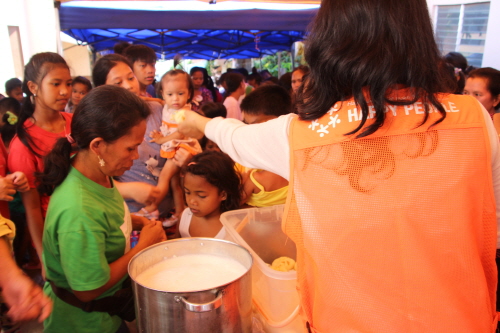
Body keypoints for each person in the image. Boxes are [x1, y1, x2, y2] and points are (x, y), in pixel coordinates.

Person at [179, 0, 500, 331]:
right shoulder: (474, 119)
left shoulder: (303, 135)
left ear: (330, 41)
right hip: (460, 317)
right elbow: (493, 221)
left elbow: (237, 139)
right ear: (418, 33)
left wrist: (197, 123)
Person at [38, 85, 166, 333]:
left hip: (108, 312)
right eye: (130, 148)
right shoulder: (78, 209)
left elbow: (103, 218)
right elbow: (87, 290)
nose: (137, 155)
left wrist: (135, 221)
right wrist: (142, 248)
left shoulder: (98, 173)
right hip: (83, 324)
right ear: (97, 145)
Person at [92, 54, 196, 218]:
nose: (128, 86)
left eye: (130, 78)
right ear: (102, 90)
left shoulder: (159, 110)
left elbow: (185, 144)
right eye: (118, 83)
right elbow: (92, 180)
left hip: (168, 213)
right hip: (129, 216)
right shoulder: (99, 125)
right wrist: (129, 190)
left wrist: (186, 161)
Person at [7, 52, 73, 262]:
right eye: (55, 84)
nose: (65, 91)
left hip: (90, 217)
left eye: (68, 83)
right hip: (59, 231)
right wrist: (44, 256)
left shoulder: (76, 122)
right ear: (33, 87)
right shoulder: (23, 144)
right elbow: (33, 208)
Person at [147, 69, 198, 218]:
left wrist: (160, 140)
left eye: (180, 94)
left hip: (181, 146)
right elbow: (159, 102)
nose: (175, 99)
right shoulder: (168, 105)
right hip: (173, 145)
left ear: (189, 93)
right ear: (163, 93)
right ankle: (180, 213)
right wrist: (142, 98)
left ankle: (151, 208)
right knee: (175, 184)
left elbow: (181, 133)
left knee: (164, 177)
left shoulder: (184, 112)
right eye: (170, 94)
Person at [240, 85, 291, 207]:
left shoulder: (254, 175)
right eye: (246, 124)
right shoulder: (246, 158)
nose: (249, 131)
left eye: (255, 125)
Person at [179, 151, 241, 239]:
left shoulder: (233, 228)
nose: (191, 201)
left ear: (223, 194)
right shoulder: (185, 216)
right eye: (187, 192)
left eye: (201, 196)